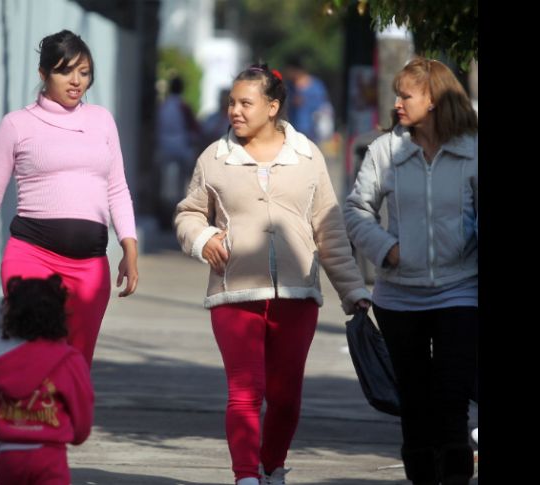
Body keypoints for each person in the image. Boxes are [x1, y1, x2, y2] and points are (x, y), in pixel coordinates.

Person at [174, 63, 371, 485]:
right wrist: (203, 237)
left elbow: (330, 229)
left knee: (285, 398)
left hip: (297, 296)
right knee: (244, 393)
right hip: (234, 293)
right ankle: (246, 476)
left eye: (246, 103)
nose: (235, 111)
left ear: (273, 106)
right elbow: (188, 214)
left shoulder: (308, 156)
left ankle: (271, 465)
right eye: (231, 103)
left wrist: (352, 290)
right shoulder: (214, 157)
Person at [0, 30, 139, 367]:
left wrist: (129, 248)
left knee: (76, 366)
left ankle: (70, 423)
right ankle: (23, 420)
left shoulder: (103, 121)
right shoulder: (16, 125)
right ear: (43, 74)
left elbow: (117, 188)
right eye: (65, 71)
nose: (77, 81)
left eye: (84, 72)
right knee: (32, 359)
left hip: (90, 266)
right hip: (31, 259)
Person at [343, 57, 478, 485]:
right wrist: (386, 249)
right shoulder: (384, 150)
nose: (397, 103)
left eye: (406, 95)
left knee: (453, 397)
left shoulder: (472, 149)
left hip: (461, 290)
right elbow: (356, 210)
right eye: (397, 95)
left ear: (434, 99)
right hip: (398, 296)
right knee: (415, 401)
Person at [0, 274, 93, 485]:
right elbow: (82, 404)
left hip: (9, 457)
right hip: (50, 456)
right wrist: (78, 434)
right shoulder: (68, 360)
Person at [155, 75, 202, 228]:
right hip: (181, 150)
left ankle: (164, 217)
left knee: (164, 186)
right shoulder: (183, 106)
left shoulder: (163, 106)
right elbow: (194, 129)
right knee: (183, 186)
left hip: (164, 148)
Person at [284, 55, 333, 144]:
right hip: (292, 133)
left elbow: (323, 107)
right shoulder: (288, 86)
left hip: (312, 134)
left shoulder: (316, 86)